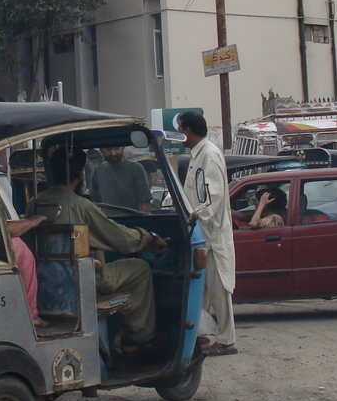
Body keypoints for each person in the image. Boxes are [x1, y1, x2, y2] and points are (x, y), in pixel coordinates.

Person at [27, 141, 167, 353]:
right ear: (80, 175)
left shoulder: (34, 204)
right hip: (84, 280)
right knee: (141, 269)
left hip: (45, 280)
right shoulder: (80, 206)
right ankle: (138, 337)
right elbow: (119, 238)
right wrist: (145, 238)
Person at [177, 111, 237, 357]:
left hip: (211, 236)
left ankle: (226, 341)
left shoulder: (209, 155)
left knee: (219, 290)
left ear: (187, 131)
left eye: (181, 130)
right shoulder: (197, 155)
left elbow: (213, 198)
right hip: (202, 237)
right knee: (199, 290)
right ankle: (200, 336)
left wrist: (195, 218)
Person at [89, 146, 153, 213]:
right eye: (108, 149)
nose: (113, 153)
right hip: (107, 222)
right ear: (101, 150)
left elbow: (145, 203)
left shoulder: (136, 169)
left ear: (123, 148)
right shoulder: (98, 170)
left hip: (132, 221)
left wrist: (143, 221)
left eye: (117, 149)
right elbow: (94, 203)